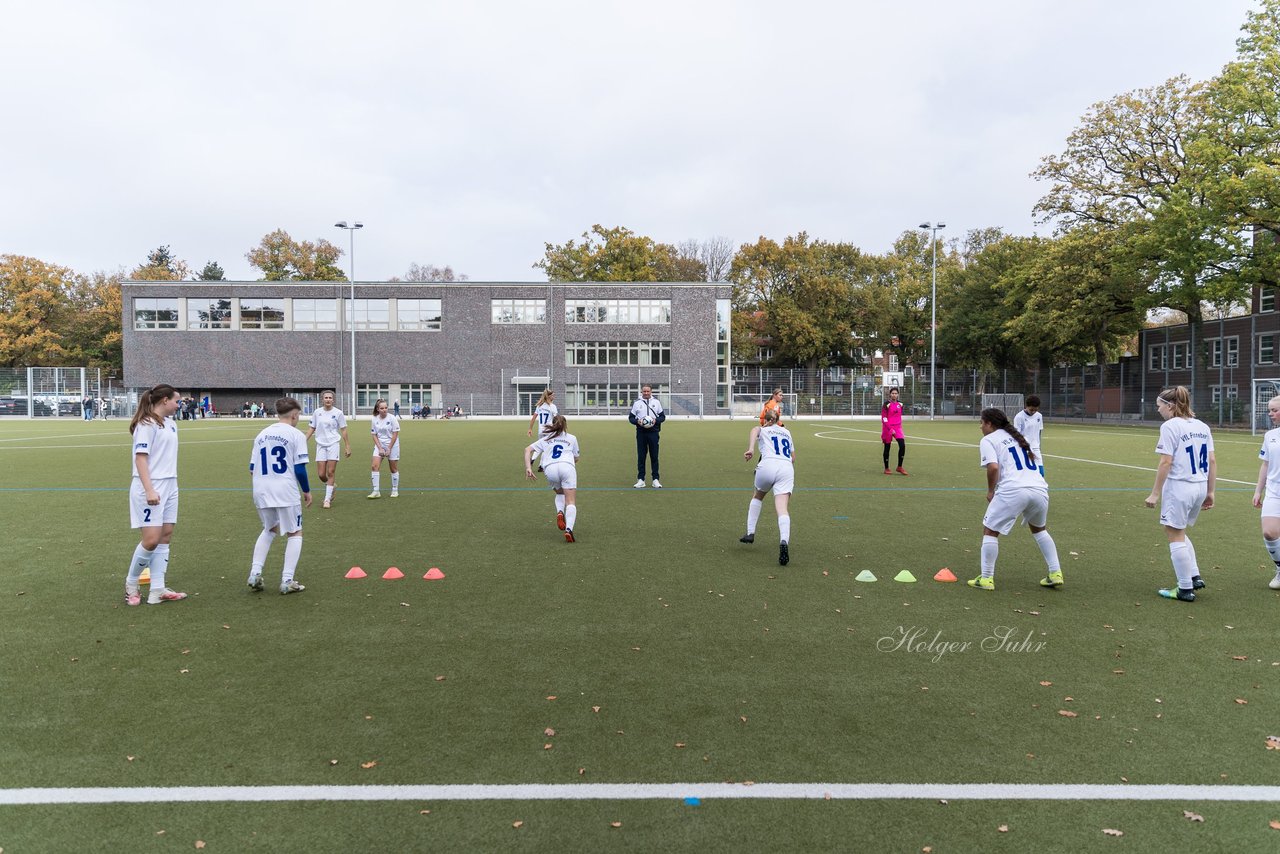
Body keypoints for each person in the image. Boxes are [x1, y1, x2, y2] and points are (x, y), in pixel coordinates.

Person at [968, 407, 1063, 591]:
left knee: (990, 531)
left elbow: (993, 468)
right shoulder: (1020, 437)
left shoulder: (988, 440)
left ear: (989, 423)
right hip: (1039, 489)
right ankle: (1055, 572)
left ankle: (986, 578)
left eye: (981, 423)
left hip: (1014, 490)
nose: (980, 427)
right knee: (1039, 530)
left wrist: (990, 491)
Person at [1145, 386, 1215, 602]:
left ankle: (1184, 589)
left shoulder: (1170, 426)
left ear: (1170, 406)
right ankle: (1193, 576)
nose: (1159, 411)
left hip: (1180, 487)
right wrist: (1210, 491)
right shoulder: (1202, 426)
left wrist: (1155, 493)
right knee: (1180, 530)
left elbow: (1166, 461)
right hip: (1199, 485)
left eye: (1160, 406)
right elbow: (1212, 460)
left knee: (1173, 533)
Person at [124, 384, 187, 606]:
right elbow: (140, 458)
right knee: (151, 540)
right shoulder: (146, 424)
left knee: (165, 535)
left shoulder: (171, 424)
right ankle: (131, 585)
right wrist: (150, 489)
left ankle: (157, 589)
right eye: (176, 401)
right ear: (164, 401)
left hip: (171, 484)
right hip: (151, 487)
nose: (178, 405)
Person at [248, 397, 312, 595]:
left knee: (269, 529)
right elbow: (300, 469)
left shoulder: (262, 434)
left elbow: (252, 468)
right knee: (295, 532)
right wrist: (307, 491)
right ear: (294, 414)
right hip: (284, 489)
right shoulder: (296, 435)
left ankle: (255, 573)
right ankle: (287, 580)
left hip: (261, 489)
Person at [740, 407, 796, 566]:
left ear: (765, 420)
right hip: (786, 468)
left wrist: (751, 449)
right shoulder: (787, 432)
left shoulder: (762, 430)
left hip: (767, 465)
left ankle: (750, 533)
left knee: (758, 496)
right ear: (778, 420)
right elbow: (793, 457)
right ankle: (784, 540)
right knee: (782, 508)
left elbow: (754, 430)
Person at [524, 414, 582, 542]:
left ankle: (560, 511)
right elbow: (576, 458)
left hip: (550, 468)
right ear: (565, 425)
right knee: (571, 501)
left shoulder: (546, 439)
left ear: (553, 424)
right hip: (567, 467)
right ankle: (569, 530)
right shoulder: (572, 438)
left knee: (559, 493)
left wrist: (528, 468)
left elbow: (527, 450)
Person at [305, 390, 351, 509]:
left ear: (333, 400)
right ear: (322, 399)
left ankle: (327, 499)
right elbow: (312, 428)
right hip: (320, 444)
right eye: (326, 398)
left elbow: (344, 429)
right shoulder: (317, 412)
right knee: (321, 474)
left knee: (330, 472)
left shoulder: (338, 413)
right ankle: (332, 486)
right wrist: (303, 440)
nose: (328, 399)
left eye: (330, 398)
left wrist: (347, 446)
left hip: (333, 444)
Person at [1252, 395, 1280, 590]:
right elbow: (1265, 464)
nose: (1270, 413)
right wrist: (1257, 491)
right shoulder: (1270, 436)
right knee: (1269, 532)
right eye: (1269, 410)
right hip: (1274, 491)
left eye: (1274, 410)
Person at [629, 385, 665, 488]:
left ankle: (655, 479)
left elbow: (662, 417)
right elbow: (631, 418)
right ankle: (641, 480)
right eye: (644, 391)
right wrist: (637, 421)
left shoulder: (656, 403)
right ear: (641, 392)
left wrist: (655, 420)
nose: (646, 393)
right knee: (641, 457)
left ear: (651, 391)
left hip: (653, 433)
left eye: (647, 391)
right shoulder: (637, 403)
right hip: (641, 433)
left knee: (654, 457)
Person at [369, 398, 401, 498]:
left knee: (393, 468)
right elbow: (374, 434)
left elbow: (395, 434)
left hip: (392, 444)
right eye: (382, 408)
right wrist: (380, 448)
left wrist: (389, 448)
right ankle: (376, 491)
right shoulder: (374, 419)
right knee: (374, 466)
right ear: (378, 409)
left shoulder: (392, 418)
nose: (384, 410)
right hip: (380, 444)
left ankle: (395, 490)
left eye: (386, 408)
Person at [1014, 394, 1044, 474]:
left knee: (1041, 472)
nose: (1033, 412)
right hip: (1023, 448)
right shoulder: (1019, 417)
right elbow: (1017, 435)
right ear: (1026, 406)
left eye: (1035, 410)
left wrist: (1038, 445)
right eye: (1031, 410)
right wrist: (1025, 448)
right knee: (1024, 472)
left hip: (1035, 448)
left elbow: (1039, 431)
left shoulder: (1039, 416)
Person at [881, 386, 907, 475]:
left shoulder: (901, 404)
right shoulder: (886, 404)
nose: (894, 395)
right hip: (887, 428)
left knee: (902, 445)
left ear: (898, 395)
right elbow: (884, 418)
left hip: (898, 428)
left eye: (896, 393)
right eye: (893, 393)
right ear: (890, 394)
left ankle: (899, 467)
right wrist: (890, 428)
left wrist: (899, 429)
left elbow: (898, 417)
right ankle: (886, 468)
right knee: (887, 447)